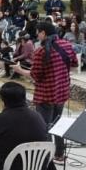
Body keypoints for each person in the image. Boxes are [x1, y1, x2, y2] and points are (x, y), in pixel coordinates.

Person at [12, 21, 78, 161]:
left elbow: (34, 75)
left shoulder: (40, 51)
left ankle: (46, 156)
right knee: (58, 124)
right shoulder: (66, 45)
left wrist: (19, 70)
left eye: (38, 32)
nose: (36, 34)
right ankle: (59, 154)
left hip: (45, 94)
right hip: (62, 91)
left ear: (43, 33)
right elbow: (73, 65)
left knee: (43, 126)